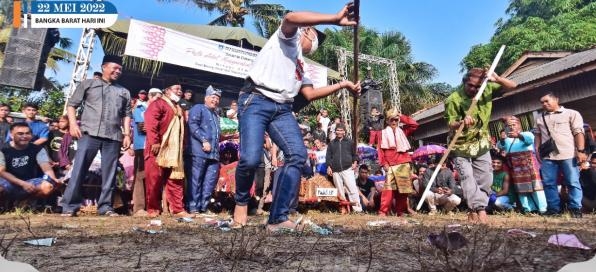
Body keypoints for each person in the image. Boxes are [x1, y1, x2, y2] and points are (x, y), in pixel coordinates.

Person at [232, 3, 360, 231]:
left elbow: (309, 93)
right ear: (307, 30)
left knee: (298, 155)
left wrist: (342, 85)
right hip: (256, 99)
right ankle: (241, 203)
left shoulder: (301, 63)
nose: (315, 45)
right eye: (315, 38)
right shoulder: (287, 38)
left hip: (281, 109)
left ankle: (278, 218)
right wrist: (333, 19)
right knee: (251, 159)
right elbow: (291, 17)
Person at [60, 55, 132, 217]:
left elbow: (127, 114)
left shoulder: (124, 91)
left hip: (113, 136)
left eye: (120, 69)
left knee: (110, 173)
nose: (117, 71)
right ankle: (70, 206)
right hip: (89, 133)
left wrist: (126, 134)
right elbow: (72, 105)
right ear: (103, 67)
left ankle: (105, 207)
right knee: (79, 169)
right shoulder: (88, 84)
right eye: (114, 68)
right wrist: (72, 124)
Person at [444, 67, 517, 223]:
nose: (473, 89)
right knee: (467, 177)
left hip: (481, 142)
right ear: (464, 82)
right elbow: (450, 123)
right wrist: (461, 123)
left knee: (485, 177)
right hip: (460, 145)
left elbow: (513, 86)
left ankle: (476, 208)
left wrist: (497, 79)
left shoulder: (487, 88)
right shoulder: (453, 99)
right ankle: (478, 209)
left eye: (477, 87)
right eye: (470, 85)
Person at [534, 93, 586, 218]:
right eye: (542, 102)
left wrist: (580, 151)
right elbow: (538, 135)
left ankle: (575, 209)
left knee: (572, 182)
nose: (544, 104)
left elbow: (578, 132)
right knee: (548, 183)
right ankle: (553, 209)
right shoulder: (539, 118)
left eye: (547, 101)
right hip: (548, 156)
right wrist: (537, 151)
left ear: (556, 99)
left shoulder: (571, 113)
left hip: (568, 154)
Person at [144, 80, 190, 218]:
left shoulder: (179, 108)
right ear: (167, 91)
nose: (179, 91)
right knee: (154, 179)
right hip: (158, 148)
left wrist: (183, 146)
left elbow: (183, 130)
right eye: (177, 88)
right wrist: (154, 142)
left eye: (181, 89)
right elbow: (151, 122)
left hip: (174, 151)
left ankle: (177, 209)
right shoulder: (158, 104)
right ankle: (153, 209)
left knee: (176, 180)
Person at [0, 123, 62, 203]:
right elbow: (1, 172)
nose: (24, 136)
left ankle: (26, 203)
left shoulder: (38, 149)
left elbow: (47, 168)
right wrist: (22, 183)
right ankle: (4, 205)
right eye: (20, 134)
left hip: (29, 181)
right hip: (8, 181)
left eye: (27, 133)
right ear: (11, 135)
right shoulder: (3, 149)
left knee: (48, 186)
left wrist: (54, 180)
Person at [498, 116, 546, 213]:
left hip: (529, 165)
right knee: (521, 189)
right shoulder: (507, 139)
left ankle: (543, 209)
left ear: (519, 125)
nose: (511, 127)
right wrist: (502, 140)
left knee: (536, 188)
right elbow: (501, 147)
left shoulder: (527, 133)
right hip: (516, 167)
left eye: (513, 125)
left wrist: (518, 135)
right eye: (508, 126)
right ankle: (528, 209)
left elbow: (529, 140)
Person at [377, 109, 419, 216]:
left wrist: (401, 115)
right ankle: (383, 212)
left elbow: (414, 125)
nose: (394, 122)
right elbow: (380, 151)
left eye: (396, 120)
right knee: (388, 190)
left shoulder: (403, 131)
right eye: (392, 120)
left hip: (403, 163)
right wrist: (384, 163)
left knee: (403, 190)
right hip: (390, 164)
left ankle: (400, 211)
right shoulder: (382, 133)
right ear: (387, 121)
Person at [187, 86, 221, 215]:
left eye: (218, 98)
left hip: (214, 154)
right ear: (206, 98)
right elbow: (192, 125)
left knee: (210, 181)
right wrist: (203, 140)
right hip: (199, 151)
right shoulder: (198, 108)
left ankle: (203, 206)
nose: (215, 100)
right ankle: (193, 207)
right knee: (196, 179)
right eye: (213, 97)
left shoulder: (216, 115)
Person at [326, 124, 361, 212]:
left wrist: (355, 163)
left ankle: (357, 209)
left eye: (341, 130)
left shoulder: (350, 142)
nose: (340, 132)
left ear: (344, 132)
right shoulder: (331, 143)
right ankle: (343, 208)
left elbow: (355, 154)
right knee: (340, 190)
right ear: (335, 131)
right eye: (338, 130)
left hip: (347, 168)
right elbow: (328, 157)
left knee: (352, 188)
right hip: (335, 170)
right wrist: (329, 167)